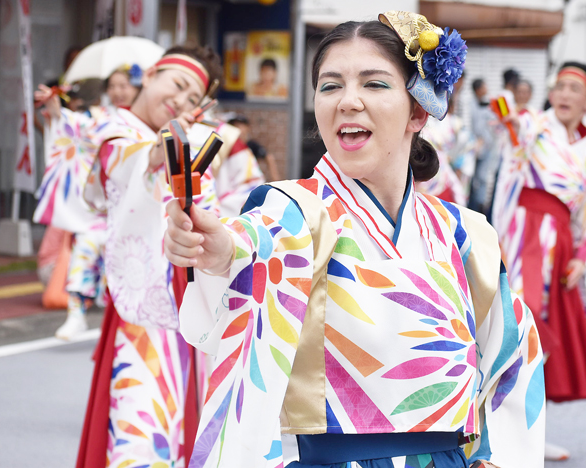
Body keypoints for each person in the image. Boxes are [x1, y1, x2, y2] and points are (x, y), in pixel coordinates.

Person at [165, 12, 545, 468]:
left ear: (419, 111)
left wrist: (490, 456)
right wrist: (222, 252)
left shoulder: (466, 233)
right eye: (330, 86)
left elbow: (509, 353)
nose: (347, 101)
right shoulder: (294, 211)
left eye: (374, 84)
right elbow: (256, 244)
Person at [67, 45, 224, 468]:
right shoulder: (116, 128)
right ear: (151, 74)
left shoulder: (181, 141)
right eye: (177, 85)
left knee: (182, 428)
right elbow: (122, 162)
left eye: (193, 98)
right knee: (142, 428)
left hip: (188, 304)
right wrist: (161, 151)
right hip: (144, 309)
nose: (181, 101)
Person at [493, 61, 586, 461]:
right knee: (521, 331)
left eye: (574, 89)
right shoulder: (534, 126)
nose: (563, 94)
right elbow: (510, 121)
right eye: (558, 86)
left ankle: (533, 433)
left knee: (541, 340)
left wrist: (581, 257)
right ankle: (500, 430)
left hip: (559, 244)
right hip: (525, 236)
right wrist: (509, 115)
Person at [34, 66, 143, 340]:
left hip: (139, 208)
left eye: (124, 85)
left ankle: (134, 317)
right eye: (114, 86)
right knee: (86, 244)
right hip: (105, 208)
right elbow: (70, 128)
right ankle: (76, 313)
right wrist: (55, 107)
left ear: (138, 88)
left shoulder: (147, 120)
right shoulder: (101, 119)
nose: (119, 91)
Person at [417, 75, 477, 205]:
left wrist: (458, 163)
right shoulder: (422, 123)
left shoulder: (455, 123)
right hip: (425, 177)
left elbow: (467, 145)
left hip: (443, 176)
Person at [468, 79, 501, 217]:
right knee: (472, 177)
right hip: (474, 146)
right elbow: (476, 126)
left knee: (482, 177)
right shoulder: (471, 104)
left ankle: (479, 207)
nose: (486, 89)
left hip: (486, 147)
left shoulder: (488, 103)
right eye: (484, 87)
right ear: (478, 89)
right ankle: (474, 207)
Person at [228, 114, 282, 182]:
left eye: (240, 126)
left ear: (247, 128)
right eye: (234, 126)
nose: (237, 129)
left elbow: (269, 157)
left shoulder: (251, 145)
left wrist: (275, 179)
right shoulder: (229, 145)